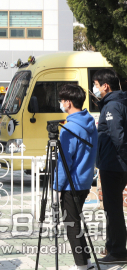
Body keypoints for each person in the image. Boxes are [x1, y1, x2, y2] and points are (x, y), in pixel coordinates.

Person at [54, 84, 98, 270]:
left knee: (72, 225)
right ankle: (86, 261)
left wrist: (57, 187)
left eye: (62, 101)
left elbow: (64, 162)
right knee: (77, 222)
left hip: (71, 184)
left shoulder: (69, 128)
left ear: (68, 102)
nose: (61, 104)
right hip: (85, 180)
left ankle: (81, 265)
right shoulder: (89, 123)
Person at [92, 69, 127, 264]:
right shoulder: (118, 102)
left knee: (113, 209)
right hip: (115, 163)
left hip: (114, 164)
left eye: (96, 85)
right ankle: (112, 246)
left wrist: (123, 160)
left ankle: (119, 251)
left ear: (105, 86)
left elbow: (117, 137)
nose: (94, 89)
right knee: (111, 208)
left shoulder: (112, 106)